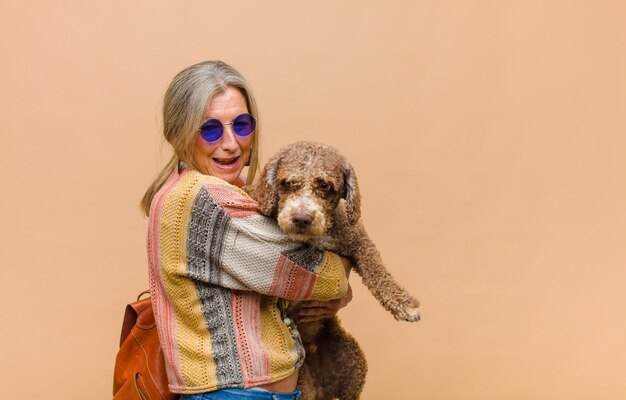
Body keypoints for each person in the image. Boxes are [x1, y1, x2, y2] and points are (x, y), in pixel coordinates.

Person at [141, 60, 352, 400]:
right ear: (178, 133)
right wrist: (341, 275)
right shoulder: (205, 200)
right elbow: (320, 277)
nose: (231, 143)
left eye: (241, 125)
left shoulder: (195, 189)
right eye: (209, 129)